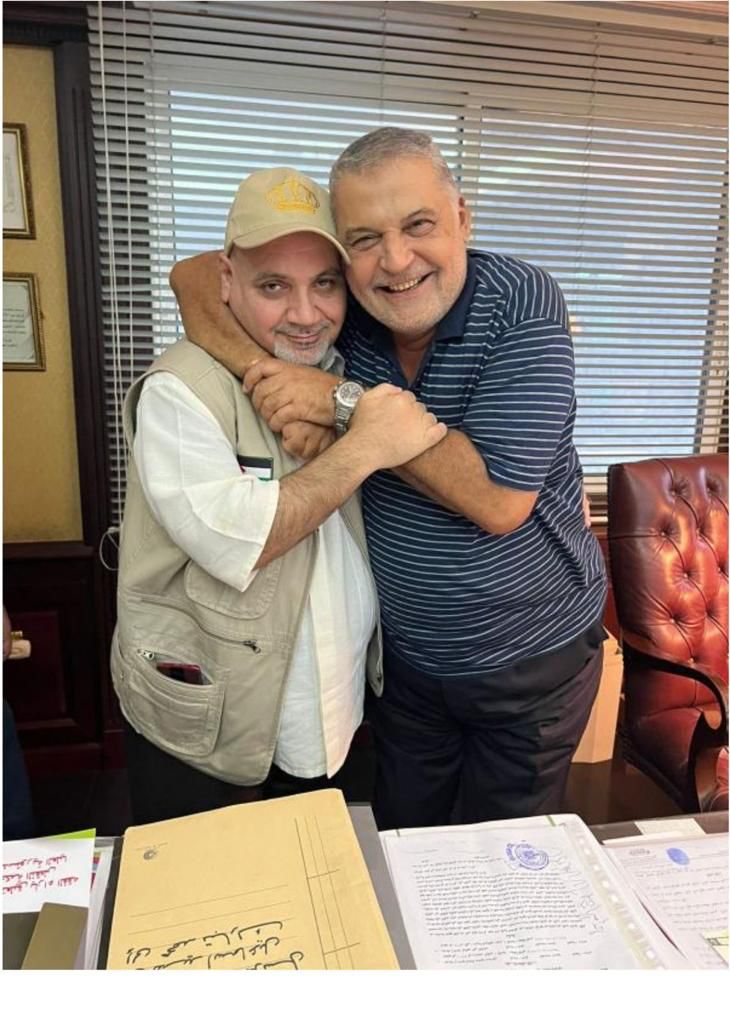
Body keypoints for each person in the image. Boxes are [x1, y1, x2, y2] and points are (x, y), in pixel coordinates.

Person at [170, 128, 609, 830]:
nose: (397, 261)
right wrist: (276, 380)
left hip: (530, 656)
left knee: (506, 852)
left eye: (419, 225)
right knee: (404, 836)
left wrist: (340, 404)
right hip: (401, 660)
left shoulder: (521, 300)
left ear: (462, 218)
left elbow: (498, 499)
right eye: (366, 239)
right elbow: (194, 277)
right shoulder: (349, 307)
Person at [111, 166, 446, 825]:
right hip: (215, 725)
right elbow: (241, 539)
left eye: (324, 283)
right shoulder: (179, 389)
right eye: (273, 286)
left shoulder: (339, 369)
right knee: (212, 884)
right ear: (227, 281)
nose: (305, 313)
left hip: (337, 714)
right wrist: (367, 443)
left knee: (319, 874)